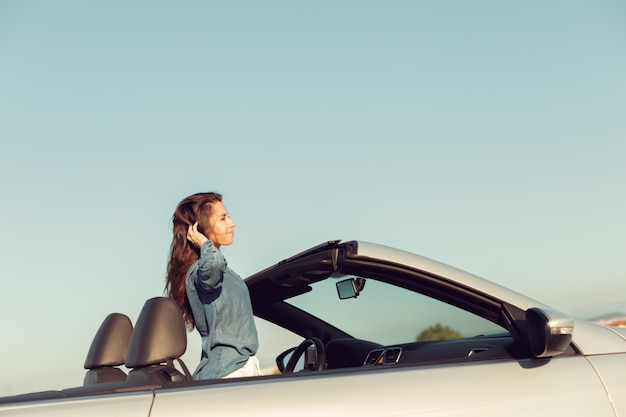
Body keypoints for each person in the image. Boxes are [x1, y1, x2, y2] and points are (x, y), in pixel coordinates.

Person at [165, 192, 261, 379]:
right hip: (228, 371)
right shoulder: (200, 271)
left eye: (229, 216)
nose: (232, 223)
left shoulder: (217, 272)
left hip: (236, 367)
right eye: (223, 218)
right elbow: (213, 265)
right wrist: (205, 243)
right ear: (200, 227)